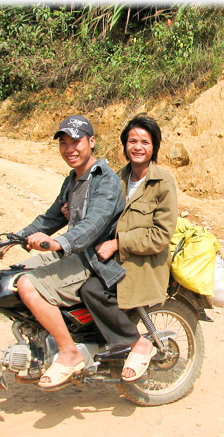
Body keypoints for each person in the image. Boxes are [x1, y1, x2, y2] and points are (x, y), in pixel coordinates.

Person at [7, 115, 125, 389]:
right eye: (64, 143)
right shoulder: (72, 180)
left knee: (28, 285)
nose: (70, 149)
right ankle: (39, 350)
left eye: (76, 141)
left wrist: (58, 244)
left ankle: (69, 352)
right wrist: (13, 239)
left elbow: (92, 225)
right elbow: (49, 220)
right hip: (74, 254)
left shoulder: (105, 180)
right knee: (16, 275)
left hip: (94, 259)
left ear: (91, 142)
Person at [79, 113, 177, 382]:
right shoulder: (115, 179)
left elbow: (161, 234)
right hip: (112, 259)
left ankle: (136, 343)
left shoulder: (163, 183)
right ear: (124, 145)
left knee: (92, 290)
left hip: (143, 263)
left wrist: (118, 243)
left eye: (145, 142)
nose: (138, 147)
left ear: (154, 147)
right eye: (132, 141)